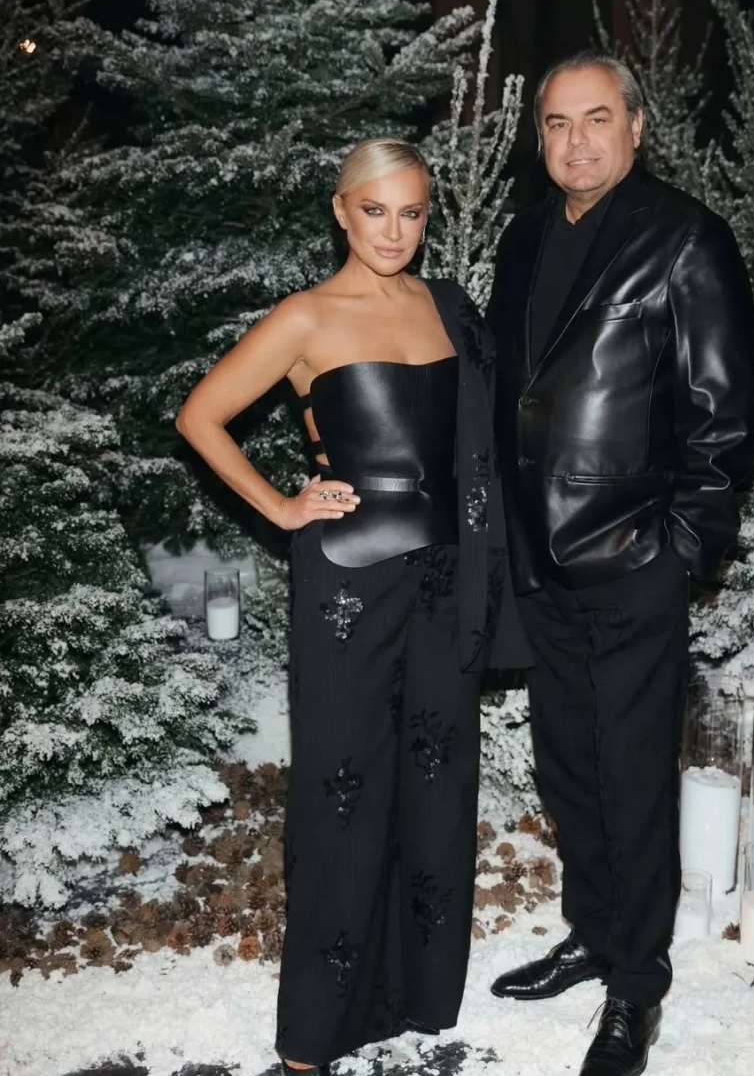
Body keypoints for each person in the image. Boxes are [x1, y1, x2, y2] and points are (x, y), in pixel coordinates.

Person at [176, 138, 528, 1075]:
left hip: (445, 582)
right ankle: (315, 1030)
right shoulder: (306, 317)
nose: (393, 231)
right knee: (341, 794)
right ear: (341, 211)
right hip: (347, 585)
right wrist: (283, 506)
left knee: (437, 786)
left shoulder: (445, 306)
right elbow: (200, 416)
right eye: (375, 211)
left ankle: (418, 992)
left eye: (411, 213)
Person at [486, 51, 754, 1076]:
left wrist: (679, 554)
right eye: (557, 123)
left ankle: (637, 985)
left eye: (596, 118)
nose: (576, 141)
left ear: (635, 127)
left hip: (633, 560)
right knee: (568, 763)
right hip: (541, 561)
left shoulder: (685, 238)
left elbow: (724, 423)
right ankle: (595, 933)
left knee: (633, 777)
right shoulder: (523, 237)